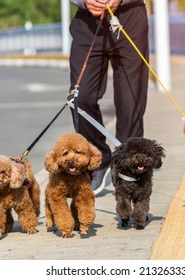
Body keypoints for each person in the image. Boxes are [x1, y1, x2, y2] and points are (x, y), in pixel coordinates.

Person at [69, 0, 149, 195]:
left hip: (129, 16)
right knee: (81, 97)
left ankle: (128, 167)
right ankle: (96, 159)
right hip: (88, 22)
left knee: (131, 100)